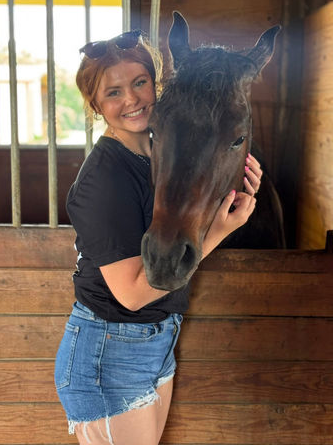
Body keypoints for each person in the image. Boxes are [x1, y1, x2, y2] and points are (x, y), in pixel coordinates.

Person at [54, 30, 262, 445]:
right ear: (95, 106)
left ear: (156, 85)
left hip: (155, 340)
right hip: (108, 350)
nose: (131, 99)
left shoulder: (156, 152)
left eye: (139, 83)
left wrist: (237, 187)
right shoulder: (103, 177)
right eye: (113, 92)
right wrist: (219, 232)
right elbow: (130, 294)